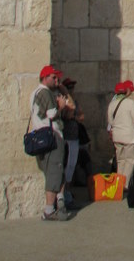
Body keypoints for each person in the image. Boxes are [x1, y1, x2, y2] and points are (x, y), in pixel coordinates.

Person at [30, 65, 69, 221]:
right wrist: (61, 106)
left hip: (40, 136)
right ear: (45, 77)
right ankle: (49, 210)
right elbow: (52, 114)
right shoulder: (45, 92)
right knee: (55, 171)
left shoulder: (34, 93)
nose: (56, 80)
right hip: (52, 136)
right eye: (53, 77)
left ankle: (59, 200)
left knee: (52, 171)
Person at [107, 80, 134, 188]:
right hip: (129, 136)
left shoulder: (112, 104)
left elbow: (110, 121)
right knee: (130, 160)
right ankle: (125, 185)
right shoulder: (129, 103)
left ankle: (118, 184)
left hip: (117, 136)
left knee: (120, 160)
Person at [60, 77, 84, 207]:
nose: (72, 90)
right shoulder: (66, 101)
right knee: (66, 166)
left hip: (74, 136)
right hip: (66, 137)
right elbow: (68, 115)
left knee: (71, 166)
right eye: (69, 88)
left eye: (72, 88)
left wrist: (75, 116)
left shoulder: (74, 101)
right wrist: (75, 116)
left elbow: (82, 116)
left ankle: (68, 192)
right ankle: (64, 194)